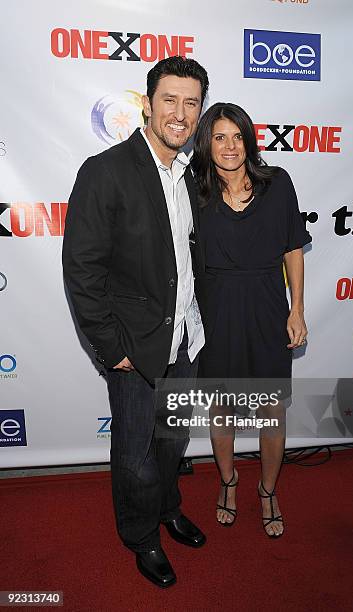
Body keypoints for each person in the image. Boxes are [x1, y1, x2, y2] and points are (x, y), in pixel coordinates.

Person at [62, 56, 209, 588]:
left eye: (191, 103)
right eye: (169, 99)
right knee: (135, 456)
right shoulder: (106, 171)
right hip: (135, 349)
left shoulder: (191, 175)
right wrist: (111, 346)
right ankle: (141, 536)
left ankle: (168, 509)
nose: (180, 112)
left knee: (172, 444)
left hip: (186, 341)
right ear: (147, 104)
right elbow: (82, 268)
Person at [191, 102, 312, 538]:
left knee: (270, 413)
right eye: (219, 137)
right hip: (216, 311)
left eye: (237, 136)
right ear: (206, 142)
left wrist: (296, 308)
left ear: (249, 139)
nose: (229, 146)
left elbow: (292, 247)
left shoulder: (277, 183)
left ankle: (267, 490)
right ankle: (228, 482)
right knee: (220, 410)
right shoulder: (192, 189)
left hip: (266, 308)